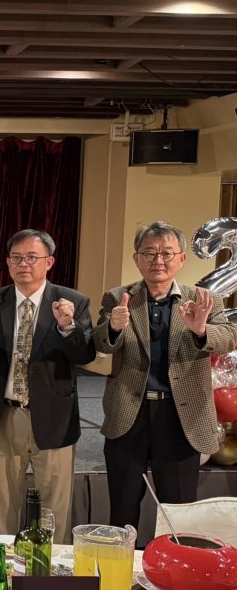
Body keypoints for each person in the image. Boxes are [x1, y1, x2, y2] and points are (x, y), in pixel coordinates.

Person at [92, 221, 237, 531]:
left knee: (179, 512)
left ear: (181, 259)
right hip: (129, 415)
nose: (158, 260)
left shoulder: (203, 299)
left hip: (181, 417)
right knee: (122, 510)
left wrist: (201, 331)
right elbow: (101, 343)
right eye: (149, 253)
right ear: (137, 259)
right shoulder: (118, 297)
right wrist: (113, 327)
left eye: (167, 253)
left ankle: (174, 562)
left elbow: (229, 337)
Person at [0, 229, 95, 544]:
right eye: (16, 257)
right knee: (3, 508)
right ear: (7, 262)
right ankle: (2, 565)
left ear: (49, 262)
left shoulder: (72, 302)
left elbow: (85, 354)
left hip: (53, 415)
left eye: (31, 257)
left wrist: (67, 327)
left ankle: (51, 567)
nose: (23, 264)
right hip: (4, 416)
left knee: (54, 509)